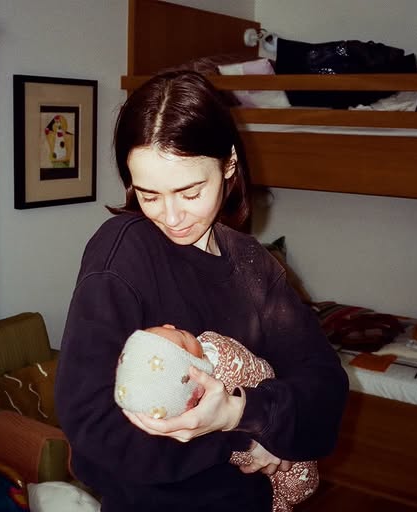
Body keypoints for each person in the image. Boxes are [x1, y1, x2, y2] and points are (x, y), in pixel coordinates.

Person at [55, 69, 349, 512]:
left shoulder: (251, 262)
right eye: (149, 195)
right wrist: (239, 438)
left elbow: (325, 387)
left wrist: (240, 413)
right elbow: (91, 427)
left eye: (190, 192)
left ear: (228, 164)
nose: (171, 217)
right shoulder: (121, 255)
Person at [114, 325, 320, 512]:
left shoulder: (215, 350)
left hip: (279, 436)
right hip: (239, 479)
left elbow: (262, 371)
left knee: (297, 479)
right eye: (182, 338)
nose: (171, 326)